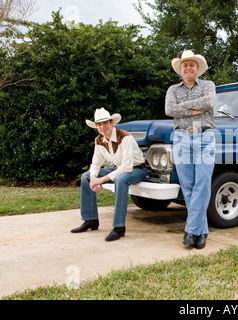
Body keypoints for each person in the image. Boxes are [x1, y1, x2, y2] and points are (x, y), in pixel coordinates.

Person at [71, 107, 147, 241]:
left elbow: (127, 167)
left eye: (105, 123)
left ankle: (119, 228)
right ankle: (90, 220)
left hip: (136, 169)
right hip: (119, 168)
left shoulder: (125, 137)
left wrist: (101, 180)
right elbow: (95, 164)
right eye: (99, 124)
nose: (102, 127)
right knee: (86, 177)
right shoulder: (99, 140)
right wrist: (94, 178)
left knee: (121, 179)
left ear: (111, 122)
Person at [165, 50, 216, 249]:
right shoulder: (172, 89)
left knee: (202, 184)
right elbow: (170, 110)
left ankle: (190, 231)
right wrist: (196, 108)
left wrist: (184, 106)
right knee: (188, 186)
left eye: (191, 65)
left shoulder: (208, 85)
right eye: (185, 65)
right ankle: (201, 231)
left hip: (205, 136)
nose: (188, 68)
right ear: (180, 69)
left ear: (197, 68)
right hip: (182, 137)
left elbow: (209, 102)